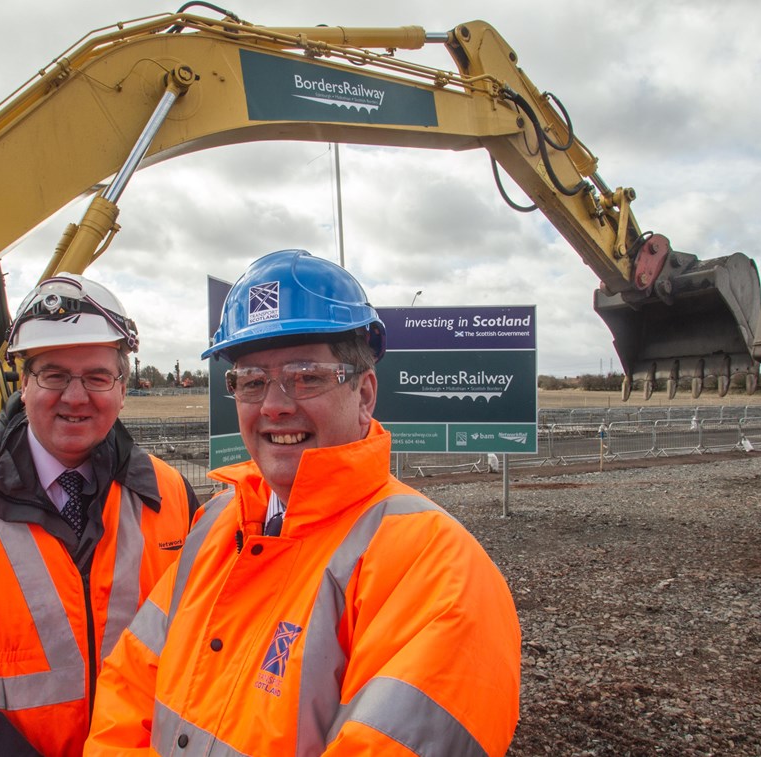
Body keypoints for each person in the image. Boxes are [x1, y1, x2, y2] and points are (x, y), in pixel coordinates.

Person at [85, 250, 521, 755]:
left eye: (306, 375)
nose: (274, 405)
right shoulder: (216, 525)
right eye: (251, 381)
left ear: (364, 394)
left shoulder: (438, 569)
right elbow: (128, 690)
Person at [0, 273, 199, 756]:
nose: (75, 396)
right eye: (53, 374)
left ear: (122, 387)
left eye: (96, 377)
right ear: (23, 382)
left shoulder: (171, 494)